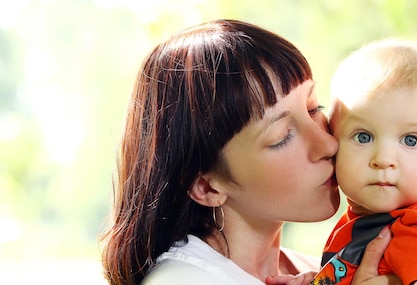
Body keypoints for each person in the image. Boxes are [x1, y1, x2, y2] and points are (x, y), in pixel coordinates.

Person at [99, 19, 400, 285]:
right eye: (282, 137)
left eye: (313, 108)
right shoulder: (185, 280)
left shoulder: (321, 270)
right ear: (206, 185)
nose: (329, 144)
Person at [307, 39, 417, 285]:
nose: (384, 160)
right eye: (363, 137)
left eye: (410, 140)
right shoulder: (372, 218)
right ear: (333, 143)